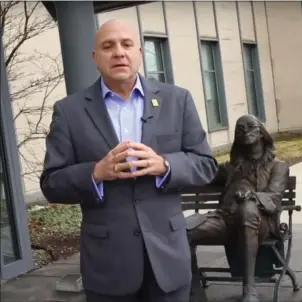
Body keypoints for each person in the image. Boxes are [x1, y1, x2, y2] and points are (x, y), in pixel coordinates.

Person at [39, 19, 218, 302]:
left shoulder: (177, 100)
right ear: (95, 58)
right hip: (108, 264)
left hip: (168, 258)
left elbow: (206, 165)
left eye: (126, 44)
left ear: (139, 51)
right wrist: (95, 173)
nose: (119, 52)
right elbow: (51, 182)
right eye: (108, 46)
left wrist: (165, 165)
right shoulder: (69, 111)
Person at [187, 114, 289, 302]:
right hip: (225, 220)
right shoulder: (231, 167)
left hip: (260, 223)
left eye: (250, 126)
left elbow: (274, 197)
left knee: (247, 211)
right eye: (239, 128)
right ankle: (193, 288)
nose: (245, 130)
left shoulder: (278, 166)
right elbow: (203, 173)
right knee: (184, 229)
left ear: (262, 133)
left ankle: (249, 289)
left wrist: (252, 197)